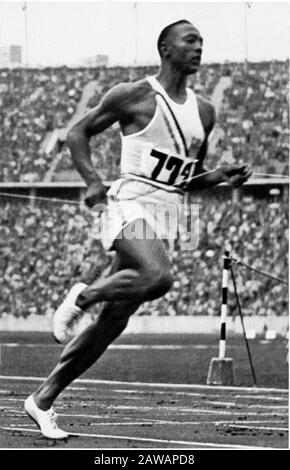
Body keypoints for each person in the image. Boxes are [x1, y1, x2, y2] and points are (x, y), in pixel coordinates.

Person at [24, 19, 251, 439]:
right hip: (127, 203)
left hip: (166, 215)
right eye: (190, 41)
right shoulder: (135, 95)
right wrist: (92, 181)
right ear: (165, 48)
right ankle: (83, 295)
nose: (199, 47)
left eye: (201, 41)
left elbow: (184, 177)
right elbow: (78, 132)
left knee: (112, 323)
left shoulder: (205, 111)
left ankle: (41, 401)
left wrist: (219, 176)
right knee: (157, 276)